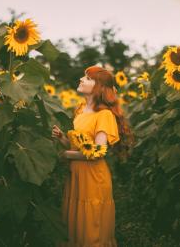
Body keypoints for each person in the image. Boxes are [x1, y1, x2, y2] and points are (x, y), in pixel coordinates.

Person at [52, 65, 134, 247]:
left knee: (91, 227)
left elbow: (98, 152)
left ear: (99, 87)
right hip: (76, 176)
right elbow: (79, 147)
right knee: (74, 223)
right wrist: (63, 139)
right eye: (83, 76)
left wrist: (66, 154)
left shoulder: (104, 115)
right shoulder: (80, 110)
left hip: (92, 178)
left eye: (88, 78)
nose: (81, 79)